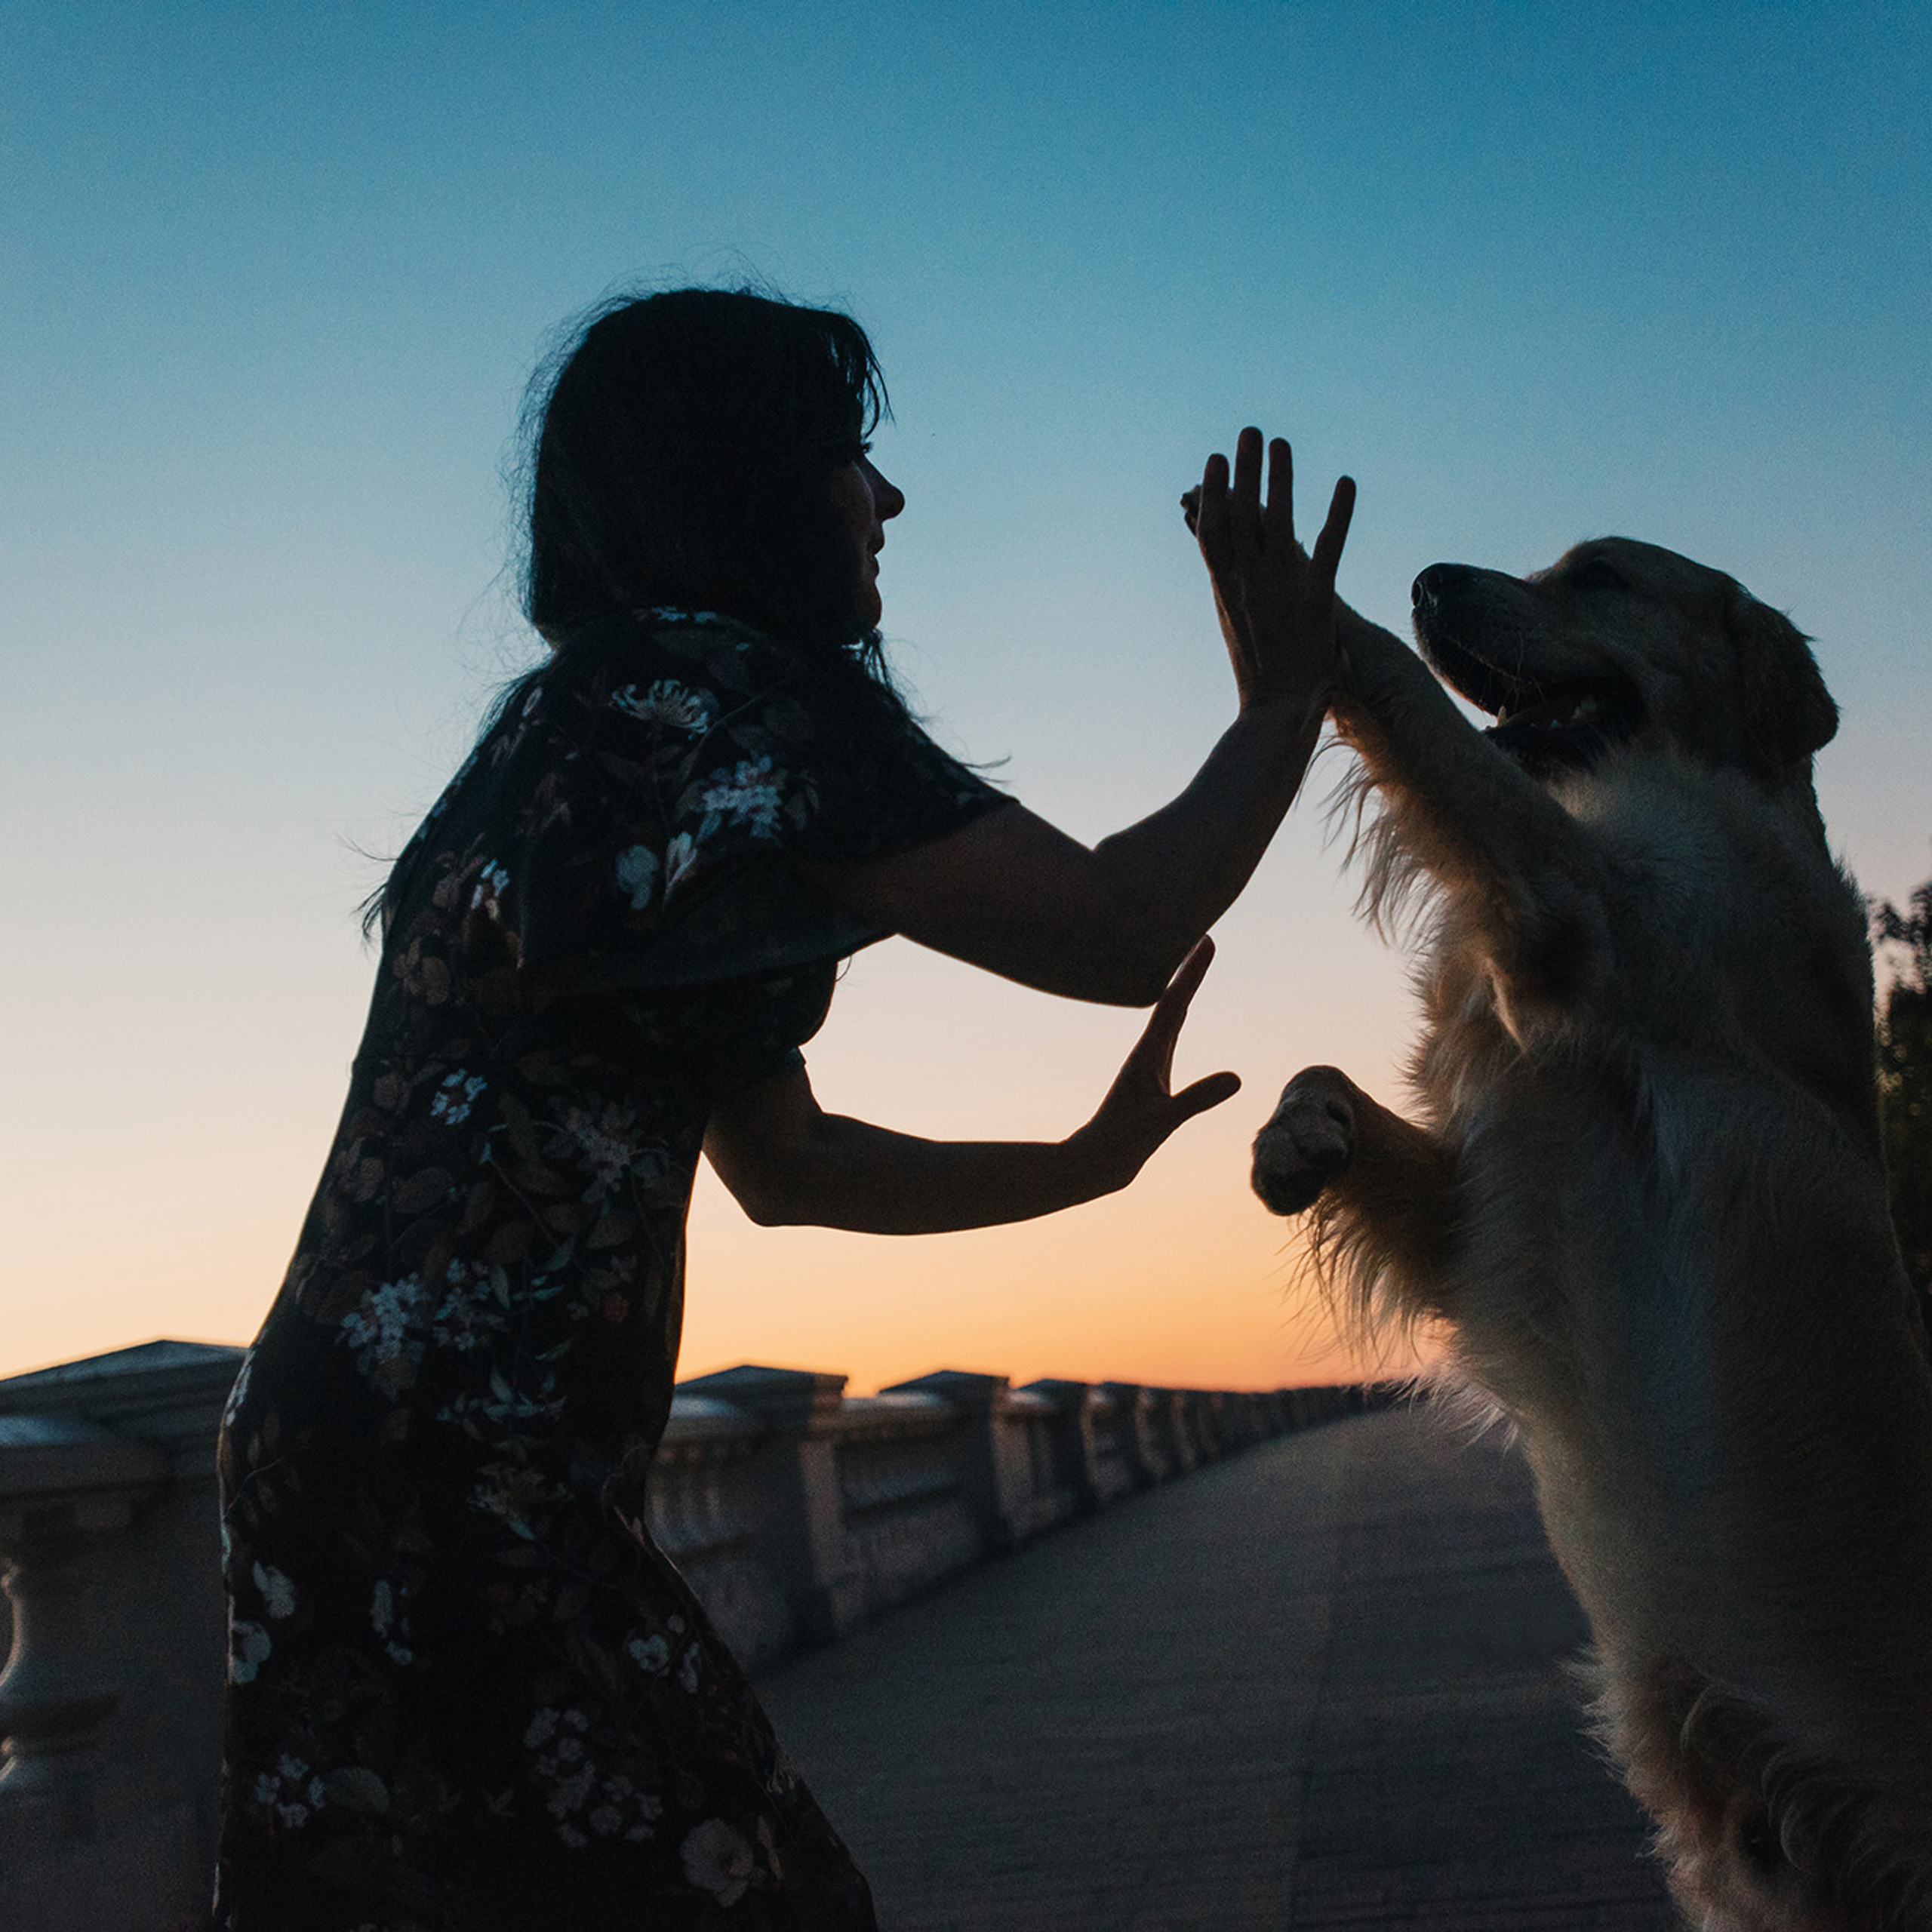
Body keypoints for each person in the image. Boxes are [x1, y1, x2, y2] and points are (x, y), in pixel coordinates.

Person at [214, 286, 1353, 1931]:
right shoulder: (749, 705)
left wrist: (1080, 1164)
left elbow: (783, 1160)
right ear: (746, 482)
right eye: (847, 458)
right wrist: (1284, 697)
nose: (884, 503)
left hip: (318, 1450)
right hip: (479, 1476)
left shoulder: (565, 730)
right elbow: (1120, 924)